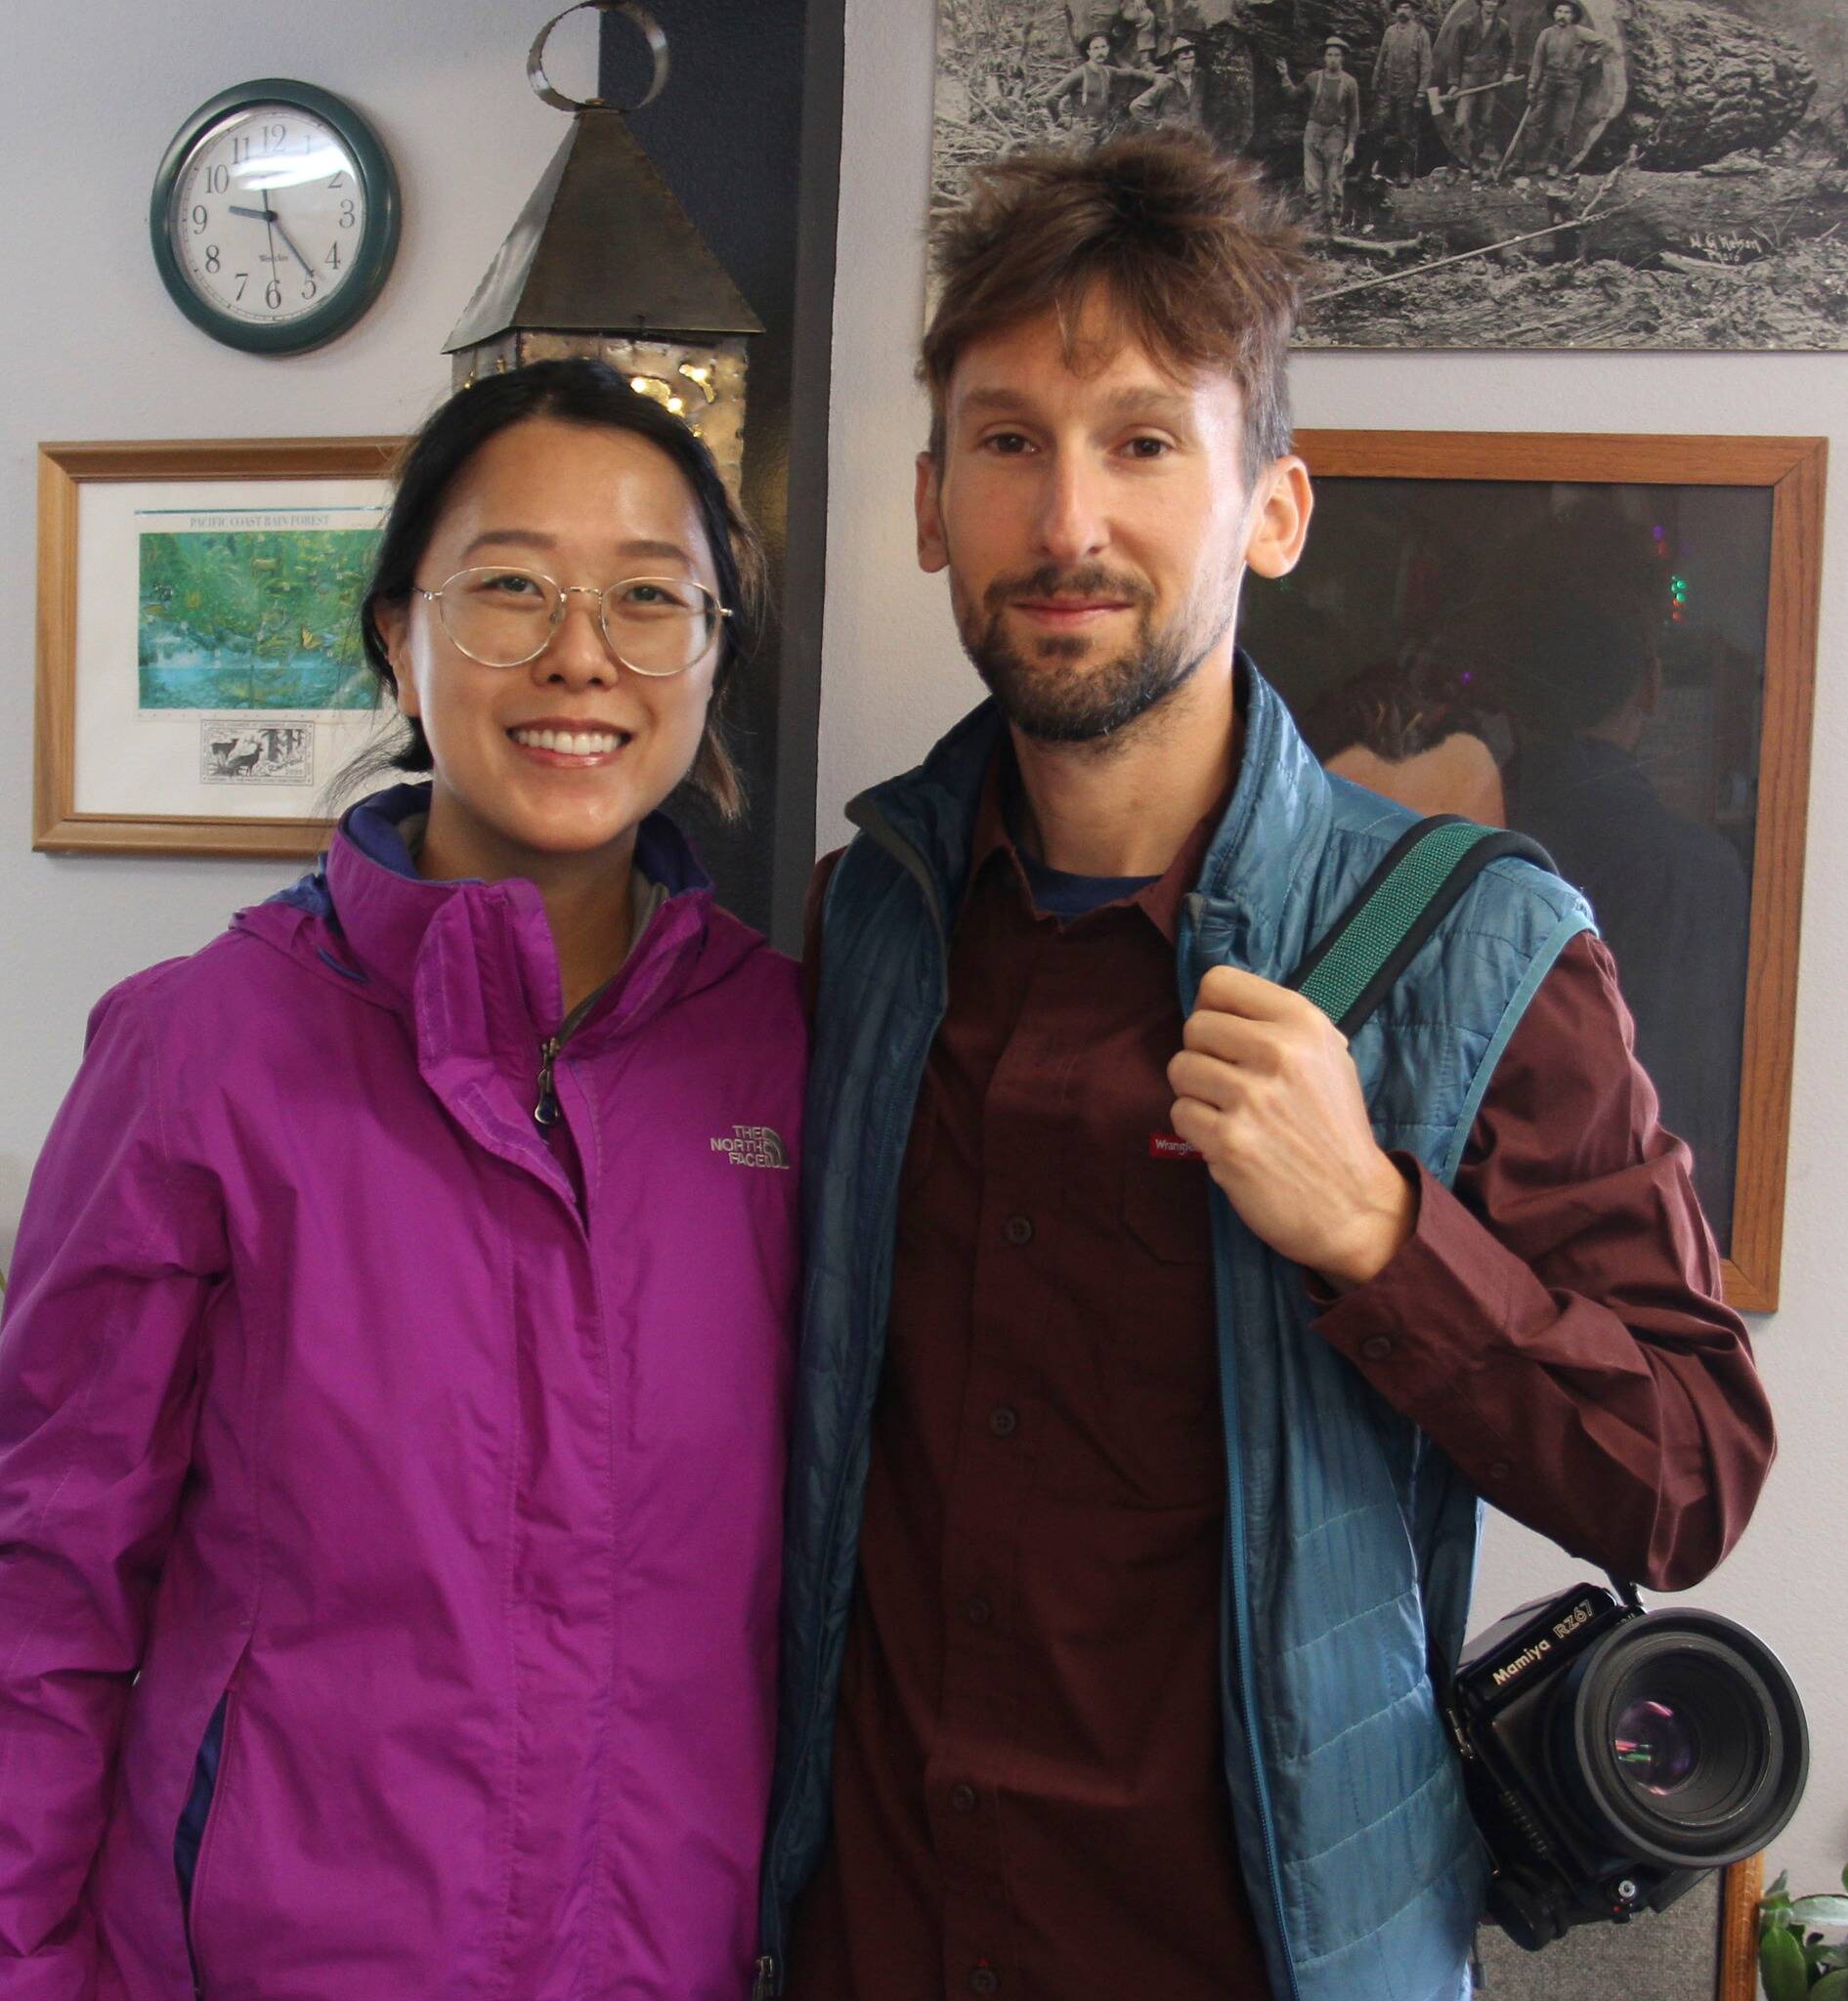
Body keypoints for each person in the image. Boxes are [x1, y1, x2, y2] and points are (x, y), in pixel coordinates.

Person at [756, 132, 1772, 2001]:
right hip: (872, 1935)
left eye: (1145, 441)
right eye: (1007, 443)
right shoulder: (871, 917)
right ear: (927, 508)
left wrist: (1386, 1236)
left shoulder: (1483, 943)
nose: (1068, 521)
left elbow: (1690, 1469)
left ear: (1272, 507)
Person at [0, 360, 804, 1999]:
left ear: (711, 656)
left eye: (652, 598)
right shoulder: (201, 1052)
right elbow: (46, 1577)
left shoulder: (789, 1053)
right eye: (510, 585)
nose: (580, 651)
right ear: (396, 633)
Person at [1277, 37, 1361, 235]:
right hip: (1313, 131)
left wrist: (1350, 145)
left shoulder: (1350, 83)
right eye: (1330, 55)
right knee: (1313, 183)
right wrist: (1284, 76)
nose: (1333, 59)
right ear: (1324, 57)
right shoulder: (1313, 78)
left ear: (1342, 58)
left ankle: (1334, 227)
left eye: (1337, 55)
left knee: (1334, 183)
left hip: (1336, 134)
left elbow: (1354, 116)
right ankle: (1315, 226)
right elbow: (1293, 95)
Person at [1523, 0, 1607, 178]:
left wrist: (1593, 60)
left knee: (1561, 126)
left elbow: (1604, 43)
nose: (1562, 15)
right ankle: (1525, 161)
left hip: (1570, 83)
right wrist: (1531, 84)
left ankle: (1553, 164)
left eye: (1567, 12)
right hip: (1548, 81)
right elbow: (1537, 62)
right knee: (1533, 121)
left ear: (1573, 16)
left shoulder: (1580, 32)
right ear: (1554, 14)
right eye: (1559, 11)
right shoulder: (1545, 34)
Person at [1436, 0, 1518, 176]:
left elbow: (1510, 51)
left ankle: (1475, 160)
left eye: (1495, 1)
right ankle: (1453, 163)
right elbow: (1455, 55)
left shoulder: (1502, 27)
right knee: (1460, 123)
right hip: (1469, 78)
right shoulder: (1466, 25)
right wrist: (1454, 83)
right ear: (1481, 2)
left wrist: (1509, 72)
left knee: (1485, 122)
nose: (1491, 4)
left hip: (1490, 79)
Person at [1042, 31, 1154, 147]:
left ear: (1108, 49)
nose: (1100, 52)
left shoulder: (1108, 71)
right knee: (1079, 164)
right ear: (1088, 52)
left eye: (1103, 47)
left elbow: (1130, 73)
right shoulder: (1080, 73)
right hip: (1083, 131)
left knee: (1106, 163)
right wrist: (1059, 120)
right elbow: (1051, 97)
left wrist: (1154, 76)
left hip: (1104, 130)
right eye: (1095, 48)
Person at [1373, 0, 1435, 184]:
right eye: (1400, 7)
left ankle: (1404, 172)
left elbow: (1426, 66)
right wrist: (1374, 82)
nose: (1403, 10)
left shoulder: (1419, 33)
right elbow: (1381, 58)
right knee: (1378, 127)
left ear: (1413, 11)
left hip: (1409, 91)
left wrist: (1421, 93)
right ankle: (1374, 168)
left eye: (1406, 7)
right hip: (1387, 89)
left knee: (1406, 133)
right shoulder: (1390, 32)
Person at [1132, 32, 1209, 134]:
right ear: (1175, 61)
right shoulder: (1167, 83)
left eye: (1191, 58)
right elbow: (1136, 106)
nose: (1189, 63)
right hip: (1172, 136)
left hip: (1195, 134)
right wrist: (1157, 124)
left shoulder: (1200, 78)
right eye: (1184, 59)